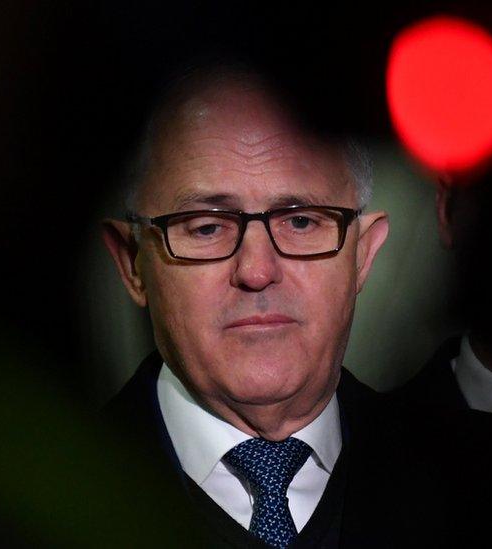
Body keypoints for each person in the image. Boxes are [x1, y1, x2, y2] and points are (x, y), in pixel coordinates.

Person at [99, 64, 395, 548]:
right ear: (133, 263)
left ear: (362, 255)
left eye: (301, 222)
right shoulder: (7, 513)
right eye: (206, 227)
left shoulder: (490, 485)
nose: (257, 272)